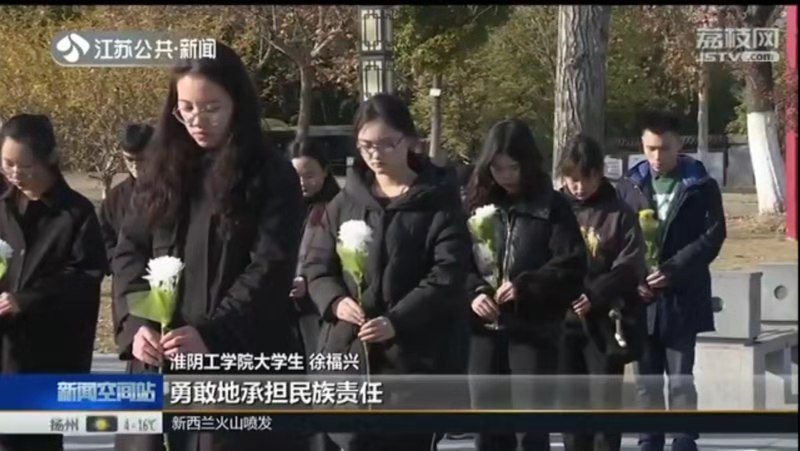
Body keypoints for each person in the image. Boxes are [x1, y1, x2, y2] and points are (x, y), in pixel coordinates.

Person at [111, 43, 307, 451]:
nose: (197, 120)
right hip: (159, 361)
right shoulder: (159, 169)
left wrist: (213, 335)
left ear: (237, 104)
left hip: (240, 359)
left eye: (211, 108)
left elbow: (269, 267)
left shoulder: (270, 175)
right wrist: (137, 323)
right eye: (186, 108)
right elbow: (130, 251)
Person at [304, 93, 472, 451]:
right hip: (350, 357)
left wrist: (397, 320)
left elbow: (447, 274)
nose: (375, 154)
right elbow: (317, 266)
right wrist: (335, 302)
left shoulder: (438, 202)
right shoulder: (344, 202)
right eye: (366, 145)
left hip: (414, 362)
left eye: (386, 144)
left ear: (410, 141)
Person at [464, 119, 587, 451]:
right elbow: (452, 261)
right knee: (487, 427)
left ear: (527, 163)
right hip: (483, 333)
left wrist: (527, 286)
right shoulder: (474, 204)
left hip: (534, 332)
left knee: (529, 430)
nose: (506, 176)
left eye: (513, 167)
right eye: (497, 168)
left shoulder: (552, 206)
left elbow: (572, 265)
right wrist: (474, 292)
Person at [616, 111, 726, 451]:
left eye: (664, 148)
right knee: (646, 383)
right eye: (650, 148)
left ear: (679, 145)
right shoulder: (629, 186)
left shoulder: (699, 185)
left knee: (680, 379)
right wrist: (633, 277)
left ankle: (683, 438)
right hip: (641, 300)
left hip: (682, 297)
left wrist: (675, 269)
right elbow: (618, 238)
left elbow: (713, 235)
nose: (656, 156)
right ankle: (649, 439)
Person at [0, 114, 107, 451]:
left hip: (45, 356)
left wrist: (27, 300)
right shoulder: (2, 206)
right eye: (7, 164)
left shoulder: (75, 213)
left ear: (50, 158)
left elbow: (85, 276)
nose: (15, 174)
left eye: (25, 166)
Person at [557, 134, 647, 451]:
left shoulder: (618, 212)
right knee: (570, 406)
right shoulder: (554, 210)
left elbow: (630, 264)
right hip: (562, 322)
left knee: (604, 406)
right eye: (572, 179)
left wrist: (595, 294)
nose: (579, 187)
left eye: (587, 178)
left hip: (604, 322)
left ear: (599, 173)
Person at [289, 139, 341, 451]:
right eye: (295, 175)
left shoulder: (337, 207)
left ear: (325, 172)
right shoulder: (280, 206)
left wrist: (310, 283)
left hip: (320, 313)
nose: (302, 183)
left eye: (309, 175)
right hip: (285, 313)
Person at [99, 123, 154, 266]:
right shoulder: (114, 199)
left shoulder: (176, 192)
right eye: (130, 159)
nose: (135, 166)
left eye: (141, 159)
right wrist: (120, 265)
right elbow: (105, 242)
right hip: (126, 274)